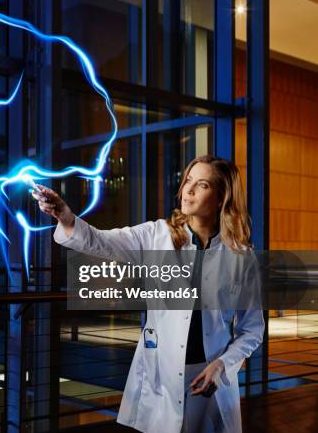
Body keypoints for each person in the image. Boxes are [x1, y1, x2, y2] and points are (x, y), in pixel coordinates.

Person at [34, 155, 264, 433]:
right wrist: (65, 216)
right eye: (188, 180)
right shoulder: (156, 236)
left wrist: (222, 366)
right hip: (161, 377)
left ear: (220, 198)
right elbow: (100, 242)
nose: (188, 191)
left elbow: (251, 329)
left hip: (211, 378)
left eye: (201, 185)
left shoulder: (241, 257)